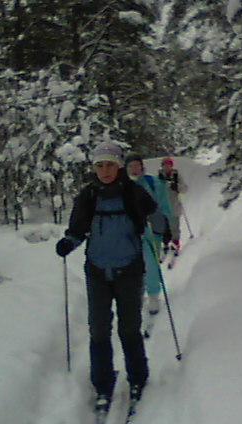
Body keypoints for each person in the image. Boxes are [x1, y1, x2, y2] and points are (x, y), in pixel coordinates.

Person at [55, 141, 157, 410]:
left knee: (129, 328)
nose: (105, 170)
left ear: (119, 166)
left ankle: (138, 379)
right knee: (98, 329)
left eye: (110, 165)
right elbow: (77, 229)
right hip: (97, 271)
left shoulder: (133, 192)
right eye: (99, 165)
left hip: (129, 270)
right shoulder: (88, 195)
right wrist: (68, 243)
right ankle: (102, 384)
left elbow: (151, 209)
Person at [125, 153, 173, 315]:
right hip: (129, 232)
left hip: (151, 230)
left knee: (151, 263)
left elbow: (164, 205)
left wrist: (166, 226)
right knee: (131, 265)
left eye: (137, 165)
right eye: (130, 166)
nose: (134, 169)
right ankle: (137, 292)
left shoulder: (153, 183)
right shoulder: (121, 186)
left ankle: (153, 295)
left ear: (142, 167)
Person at [158, 157, 189, 255]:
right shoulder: (159, 177)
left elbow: (185, 189)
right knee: (164, 227)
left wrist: (176, 187)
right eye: (165, 165)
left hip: (174, 205)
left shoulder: (176, 176)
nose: (167, 168)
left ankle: (175, 243)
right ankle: (165, 243)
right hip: (162, 206)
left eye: (169, 165)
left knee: (174, 227)